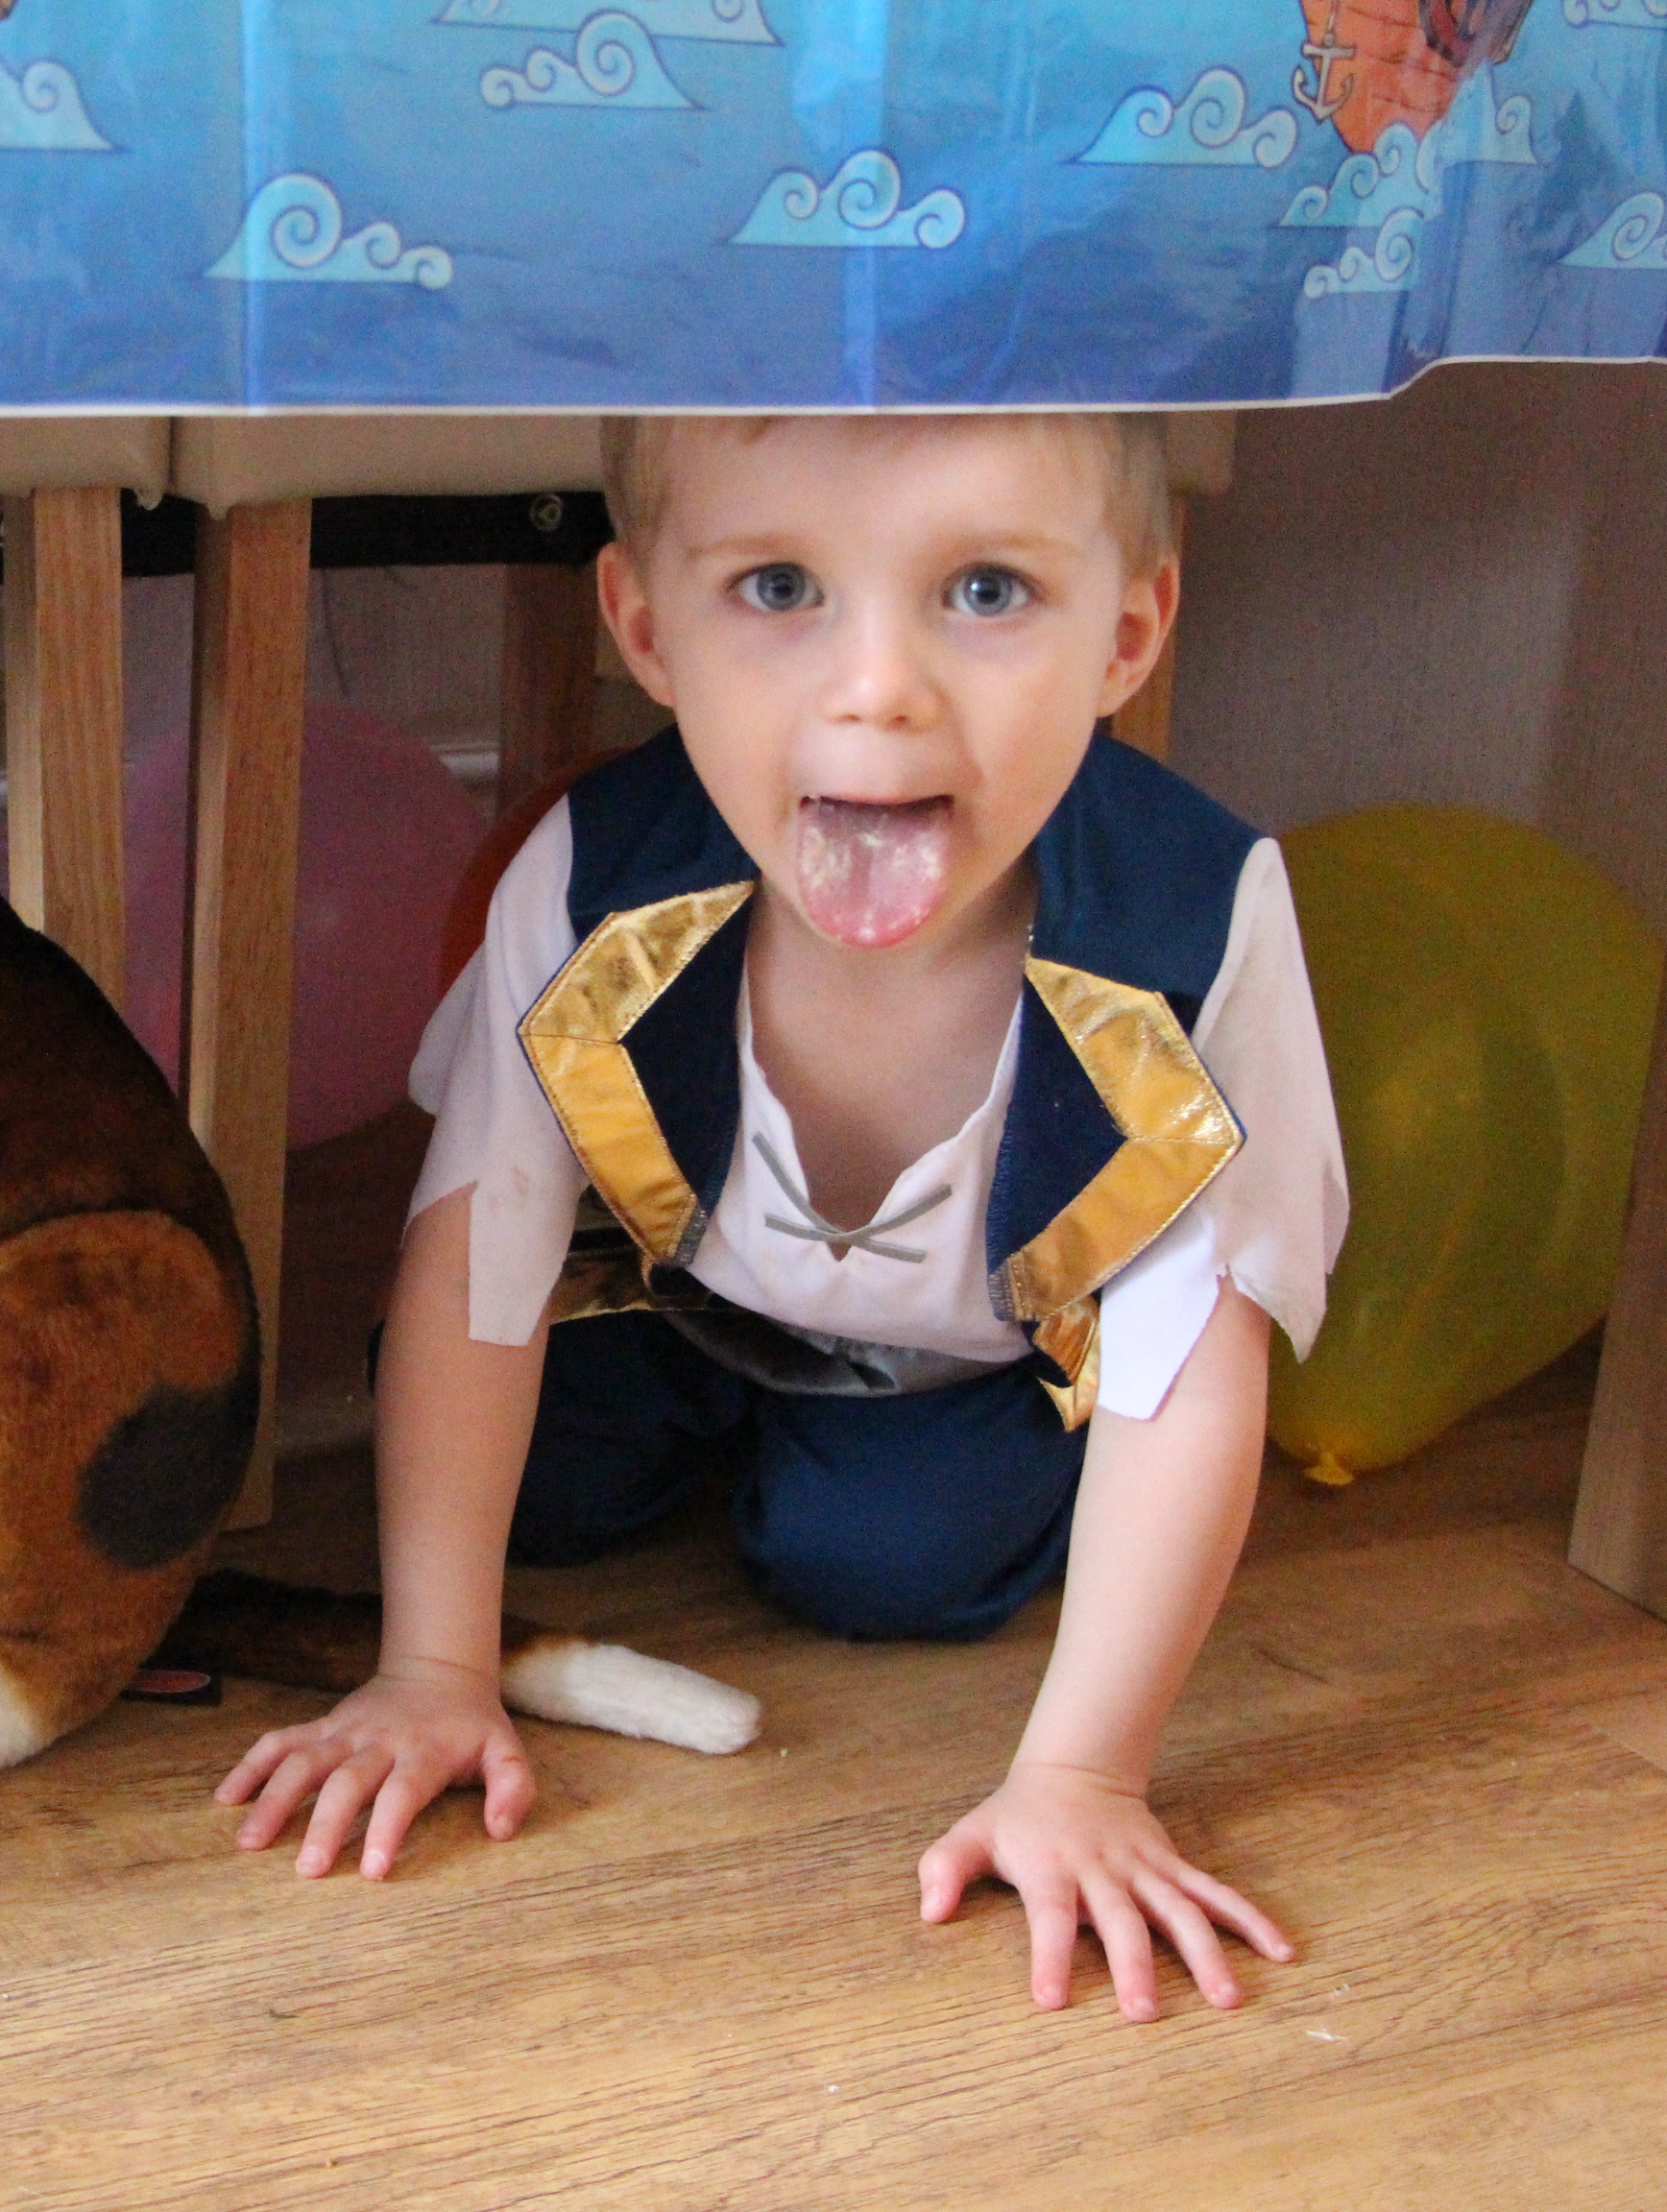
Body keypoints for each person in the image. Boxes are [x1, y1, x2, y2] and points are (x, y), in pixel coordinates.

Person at [214, 412, 1348, 2021]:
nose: (878, 687)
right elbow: (482, 1258)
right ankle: (686, 1436)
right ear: (645, 627)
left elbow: (1190, 1365)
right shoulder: (596, 874)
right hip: (669, 1291)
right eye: (779, 588)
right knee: (514, 1482)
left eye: (985, 591)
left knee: (889, 1570)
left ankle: (843, 1476)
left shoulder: (1193, 923)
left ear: (1127, 633)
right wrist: (434, 1670)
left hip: (962, 1358)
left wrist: (1085, 1775)